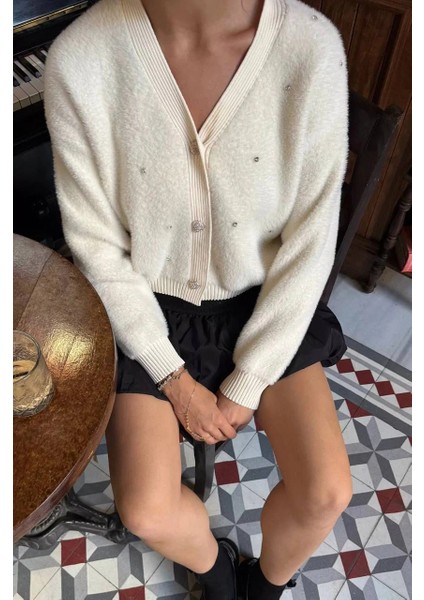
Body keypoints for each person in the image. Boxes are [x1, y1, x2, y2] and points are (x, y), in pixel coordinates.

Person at [44, 0, 353, 597]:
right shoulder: (80, 59)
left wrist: (250, 378)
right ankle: (217, 575)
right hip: (143, 304)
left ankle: (263, 588)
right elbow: (94, 244)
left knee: (326, 492)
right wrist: (173, 377)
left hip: (265, 301)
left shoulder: (311, 48)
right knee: (145, 509)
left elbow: (312, 240)